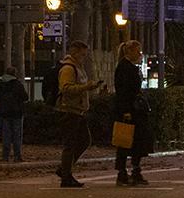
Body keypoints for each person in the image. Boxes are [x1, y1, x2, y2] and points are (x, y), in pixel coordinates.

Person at [56, 40, 104, 188]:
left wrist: (90, 86)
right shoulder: (68, 69)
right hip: (69, 110)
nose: (84, 57)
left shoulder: (78, 68)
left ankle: (65, 170)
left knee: (84, 140)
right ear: (74, 52)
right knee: (70, 144)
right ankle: (66, 175)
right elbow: (66, 88)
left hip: (78, 110)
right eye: (82, 54)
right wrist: (85, 87)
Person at [113, 40, 152, 186]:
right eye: (137, 51)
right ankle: (123, 173)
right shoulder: (124, 68)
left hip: (135, 110)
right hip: (129, 111)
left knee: (137, 142)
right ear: (129, 52)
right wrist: (126, 111)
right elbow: (123, 91)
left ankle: (135, 171)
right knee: (125, 141)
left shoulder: (130, 67)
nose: (140, 54)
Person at [0, 66, 28, 162]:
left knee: (6, 135)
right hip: (17, 113)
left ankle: (5, 156)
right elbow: (25, 97)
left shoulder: (1, 85)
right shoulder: (18, 84)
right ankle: (17, 155)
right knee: (17, 135)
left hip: (4, 113)